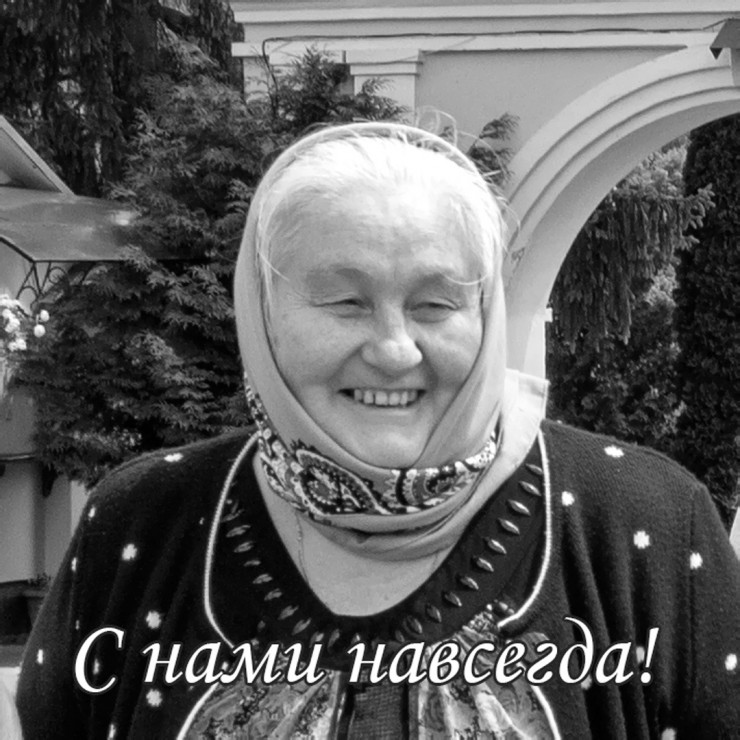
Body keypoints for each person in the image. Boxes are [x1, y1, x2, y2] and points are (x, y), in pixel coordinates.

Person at [15, 122, 740, 738]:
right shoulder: (143, 522)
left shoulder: (647, 525)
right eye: (344, 302)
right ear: (262, 313)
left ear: (486, 313)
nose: (395, 351)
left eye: (434, 305)